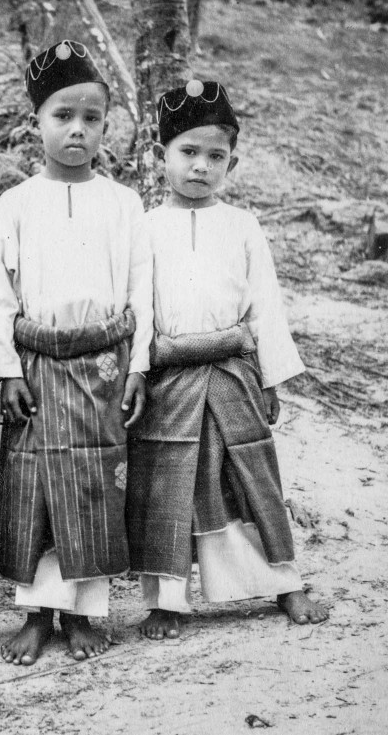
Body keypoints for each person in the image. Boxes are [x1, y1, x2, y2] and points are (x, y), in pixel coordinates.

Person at [127, 80, 329, 641]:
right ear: (159, 155)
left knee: (249, 476)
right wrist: (138, 370)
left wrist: (269, 377)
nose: (200, 167)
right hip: (170, 378)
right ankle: (168, 599)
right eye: (188, 152)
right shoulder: (143, 227)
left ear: (231, 163)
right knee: (167, 485)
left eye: (215, 157)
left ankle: (283, 581)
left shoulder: (243, 225)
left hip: (234, 373)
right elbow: (138, 305)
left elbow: (265, 303)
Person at [0, 39, 151, 665]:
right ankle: (34, 613)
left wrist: (137, 367)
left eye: (91, 118)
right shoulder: (18, 204)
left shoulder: (124, 203)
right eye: (62, 116)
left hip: (104, 366)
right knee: (34, 487)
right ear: (36, 123)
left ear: (107, 124)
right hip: (37, 366)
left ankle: (82, 613)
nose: (77, 130)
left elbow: (142, 291)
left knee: (92, 486)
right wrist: (3, 371)